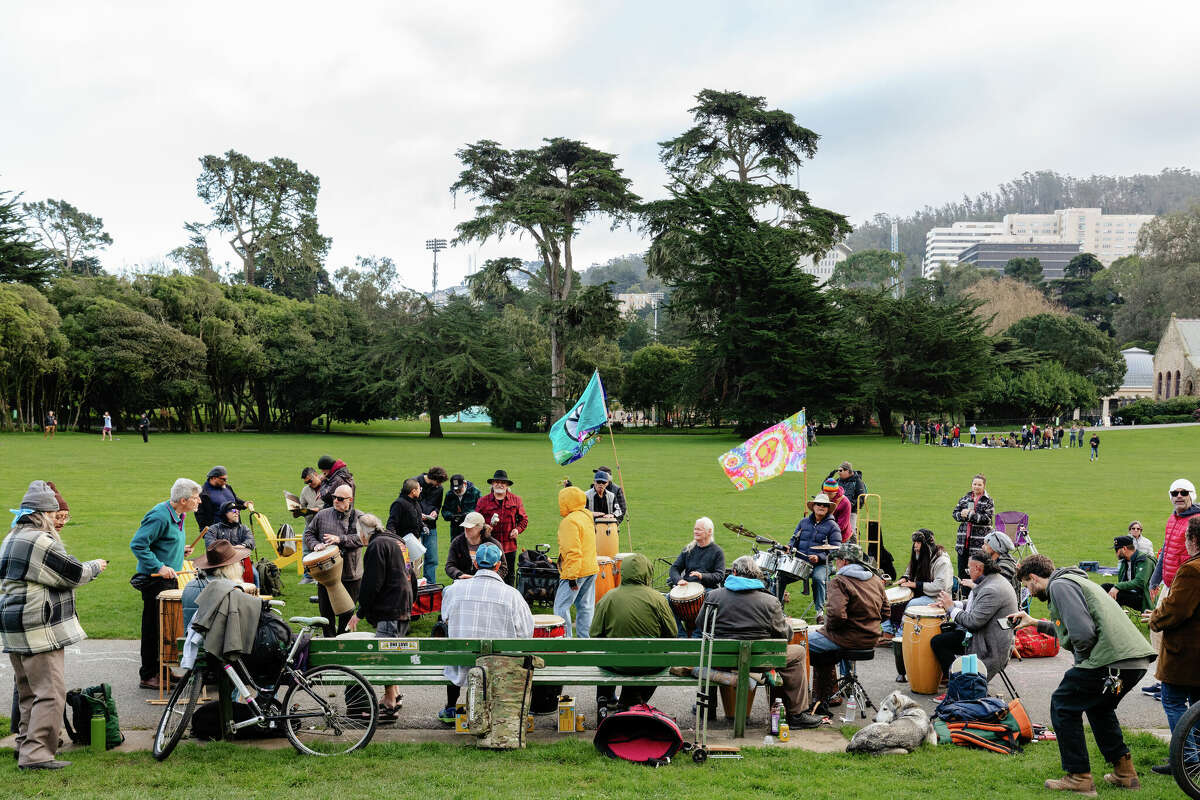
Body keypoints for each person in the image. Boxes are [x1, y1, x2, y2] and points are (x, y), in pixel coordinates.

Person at [1011, 554, 1155, 794]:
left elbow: (1083, 634)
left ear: (1033, 578)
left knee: (1063, 703)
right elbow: (1070, 625)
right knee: (1099, 707)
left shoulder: (1059, 586)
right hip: (1133, 661)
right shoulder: (1073, 581)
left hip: (1112, 659)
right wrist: (1034, 622)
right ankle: (1125, 773)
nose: (1030, 590)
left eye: (1027, 585)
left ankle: (1079, 776)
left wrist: (1080, 666)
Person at [1, 481, 107, 771]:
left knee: (28, 692)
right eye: (55, 513)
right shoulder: (39, 540)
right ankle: (37, 756)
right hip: (37, 627)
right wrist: (96, 566)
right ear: (45, 513)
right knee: (50, 692)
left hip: (15, 624)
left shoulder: (13, 535)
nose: (57, 518)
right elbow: (72, 573)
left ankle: (25, 746)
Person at [697, 556, 821, 729]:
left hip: (720, 661)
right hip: (758, 663)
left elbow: (700, 624)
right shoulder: (769, 601)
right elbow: (783, 636)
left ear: (733, 572)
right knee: (798, 653)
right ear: (756, 576)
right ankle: (797, 714)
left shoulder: (713, 596)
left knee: (709, 648)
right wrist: (787, 625)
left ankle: (708, 709)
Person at [437, 542, 533, 724]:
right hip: (499, 665)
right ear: (498, 566)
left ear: (475, 564)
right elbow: (525, 633)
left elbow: (446, 618)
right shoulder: (512, 595)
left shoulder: (453, 590)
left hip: (462, 664)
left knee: (455, 656)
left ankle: (451, 707)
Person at [130, 478, 199, 690]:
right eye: (196, 498)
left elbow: (162, 542)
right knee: (153, 628)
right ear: (184, 500)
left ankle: (163, 671)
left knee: (165, 629)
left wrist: (180, 550)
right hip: (154, 582)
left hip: (169, 580)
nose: (199, 502)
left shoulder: (179, 514)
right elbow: (138, 544)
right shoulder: (160, 516)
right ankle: (149, 675)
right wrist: (159, 566)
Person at [1145, 517, 1200, 775]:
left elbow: (1176, 608)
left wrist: (1155, 618)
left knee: (1173, 701)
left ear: (1193, 540)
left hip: (1187, 651)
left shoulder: (1192, 569)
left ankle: (1186, 757)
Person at [807, 543, 889, 711]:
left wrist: (828, 628)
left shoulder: (840, 581)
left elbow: (837, 615)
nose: (836, 563)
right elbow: (886, 612)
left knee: (802, 642)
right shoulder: (875, 580)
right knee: (829, 644)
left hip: (847, 638)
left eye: (837, 559)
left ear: (844, 561)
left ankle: (815, 694)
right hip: (871, 638)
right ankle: (838, 687)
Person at [591, 553, 676, 711]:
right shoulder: (658, 599)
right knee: (653, 658)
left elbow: (594, 634)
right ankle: (635, 699)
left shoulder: (608, 597)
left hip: (615, 663)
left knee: (606, 654)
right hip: (650, 664)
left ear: (623, 571)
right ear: (648, 572)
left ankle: (607, 698)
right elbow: (672, 633)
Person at [349, 513, 413, 720]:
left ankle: (389, 701)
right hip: (403, 604)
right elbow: (411, 573)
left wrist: (360, 612)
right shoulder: (398, 541)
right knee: (392, 651)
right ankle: (395, 693)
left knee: (385, 655)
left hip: (390, 608)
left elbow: (371, 583)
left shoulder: (376, 546)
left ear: (364, 533)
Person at [929, 549, 1017, 682]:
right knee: (944, 631)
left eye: (969, 568)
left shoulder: (991, 589)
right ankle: (953, 675)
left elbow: (973, 621)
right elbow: (975, 605)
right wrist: (951, 604)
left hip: (988, 646)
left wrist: (951, 608)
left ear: (978, 568)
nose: (968, 571)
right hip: (986, 635)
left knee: (938, 642)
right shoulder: (991, 581)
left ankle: (957, 681)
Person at [303, 485, 364, 636]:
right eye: (334, 497)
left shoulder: (359, 517)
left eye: (340, 499)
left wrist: (340, 539)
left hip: (350, 575)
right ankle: (329, 642)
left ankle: (343, 643)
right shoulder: (322, 515)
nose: (336, 501)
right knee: (326, 614)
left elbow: (364, 538)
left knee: (347, 613)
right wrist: (315, 545)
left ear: (350, 500)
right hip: (326, 575)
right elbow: (309, 533)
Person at [884, 529, 953, 635]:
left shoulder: (942, 561)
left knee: (912, 604)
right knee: (886, 599)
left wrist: (915, 584)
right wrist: (905, 578)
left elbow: (940, 586)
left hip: (936, 598)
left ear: (927, 545)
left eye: (918, 542)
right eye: (914, 542)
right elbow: (909, 570)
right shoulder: (920, 555)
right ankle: (887, 633)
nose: (915, 545)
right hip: (920, 593)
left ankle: (901, 635)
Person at [553, 484, 598, 638]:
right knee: (585, 607)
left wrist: (571, 578)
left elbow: (572, 551)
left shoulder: (569, 522)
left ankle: (565, 642)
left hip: (576, 572)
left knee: (560, 608)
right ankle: (585, 643)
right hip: (591, 569)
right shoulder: (586, 516)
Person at [784, 494, 841, 611]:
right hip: (800, 563)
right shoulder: (803, 522)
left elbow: (836, 549)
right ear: (813, 506)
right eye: (818, 504)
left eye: (825, 505)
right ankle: (777, 610)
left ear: (828, 508)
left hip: (822, 564)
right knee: (780, 577)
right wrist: (789, 547)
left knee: (818, 579)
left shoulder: (833, 526)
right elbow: (794, 539)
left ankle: (819, 612)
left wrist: (819, 557)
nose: (821, 506)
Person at [474, 469, 528, 585]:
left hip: (509, 546)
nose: (499, 484)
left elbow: (524, 519)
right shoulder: (483, 501)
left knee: (509, 574)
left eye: (503, 482)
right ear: (492, 484)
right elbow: (476, 520)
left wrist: (517, 530)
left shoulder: (516, 500)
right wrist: (485, 527)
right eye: (496, 482)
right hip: (488, 546)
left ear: (507, 485)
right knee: (487, 575)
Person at [181, 540, 250, 628]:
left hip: (189, 640)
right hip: (216, 641)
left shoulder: (189, 585)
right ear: (231, 566)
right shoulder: (231, 589)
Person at [409, 466, 448, 585]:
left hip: (431, 526)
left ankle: (430, 586)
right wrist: (417, 514)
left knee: (432, 558)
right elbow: (405, 503)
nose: (439, 485)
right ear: (432, 478)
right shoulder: (414, 483)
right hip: (414, 527)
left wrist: (435, 512)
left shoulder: (439, 488)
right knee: (413, 560)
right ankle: (412, 586)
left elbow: (437, 505)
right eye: (438, 482)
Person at [951, 473, 993, 579]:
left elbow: (987, 519)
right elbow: (954, 514)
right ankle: (963, 595)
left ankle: (976, 595)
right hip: (963, 543)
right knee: (962, 573)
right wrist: (961, 514)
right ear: (971, 485)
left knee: (977, 573)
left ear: (984, 486)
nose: (976, 487)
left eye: (979, 485)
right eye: (974, 484)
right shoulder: (965, 499)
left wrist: (970, 515)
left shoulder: (988, 501)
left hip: (979, 544)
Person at [445, 511, 506, 581]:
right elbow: (449, 566)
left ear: (480, 528)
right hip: (463, 583)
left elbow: (503, 568)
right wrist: (459, 575)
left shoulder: (494, 544)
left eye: (470, 527)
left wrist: (489, 578)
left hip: (487, 583)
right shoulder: (457, 542)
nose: (466, 529)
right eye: (465, 526)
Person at [668, 517, 726, 589]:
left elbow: (719, 575)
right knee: (667, 599)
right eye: (695, 529)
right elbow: (674, 568)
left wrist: (702, 576)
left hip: (708, 589)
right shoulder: (688, 549)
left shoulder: (717, 551)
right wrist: (679, 580)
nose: (695, 532)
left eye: (699, 529)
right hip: (687, 586)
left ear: (709, 531)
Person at [1101, 535, 1154, 612]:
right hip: (1130, 593)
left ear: (1124, 548)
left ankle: (1112, 618)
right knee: (1105, 587)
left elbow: (1140, 582)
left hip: (1144, 598)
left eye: (1117, 550)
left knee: (1118, 595)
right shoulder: (1124, 561)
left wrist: (1118, 587)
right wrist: (1117, 587)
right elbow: (1122, 582)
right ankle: (1103, 616)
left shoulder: (1144, 560)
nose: (1116, 553)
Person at [195, 466, 248, 533]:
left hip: (235, 529)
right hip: (218, 533)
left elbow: (234, 500)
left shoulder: (227, 487)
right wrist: (207, 532)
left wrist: (244, 504)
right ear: (214, 478)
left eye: (226, 479)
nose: (226, 481)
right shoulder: (203, 493)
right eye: (223, 479)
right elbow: (200, 515)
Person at [296, 467, 324, 584]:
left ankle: (322, 577)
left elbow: (333, 505)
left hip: (325, 525)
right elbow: (302, 506)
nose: (309, 484)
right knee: (307, 552)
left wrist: (318, 510)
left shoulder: (327, 487)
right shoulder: (305, 490)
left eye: (310, 481)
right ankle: (308, 577)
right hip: (310, 525)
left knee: (323, 551)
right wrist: (297, 511)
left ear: (316, 475)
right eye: (306, 482)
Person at [440, 473, 480, 542]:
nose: (457, 491)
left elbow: (480, 509)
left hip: (472, 530)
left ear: (464, 483)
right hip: (455, 531)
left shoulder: (475, 492)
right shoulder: (450, 494)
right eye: (455, 489)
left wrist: (468, 515)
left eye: (459, 488)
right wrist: (452, 516)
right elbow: (445, 510)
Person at [982, 530, 1020, 596]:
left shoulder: (1004, 566)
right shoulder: (996, 562)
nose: (982, 547)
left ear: (995, 547)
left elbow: (997, 591)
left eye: (986, 544)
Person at [834, 461, 867, 531]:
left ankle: (854, 540)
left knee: (851, 531)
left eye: (841, 470)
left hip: (851, 510)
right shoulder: (838, 481)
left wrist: (850, 504)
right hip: (837, 509)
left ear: (848, 471)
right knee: (835, 529)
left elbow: (861, 498)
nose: (838, 472)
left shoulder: (857, 482)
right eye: (838, 471)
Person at [822, 476, 853, 543]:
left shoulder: (845, 502)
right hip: (824, 534)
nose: (827, 496)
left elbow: (842, 525)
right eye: (825, 493)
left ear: (836, 492)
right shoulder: (821, 497)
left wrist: (826, 532)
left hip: (841, 536)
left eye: (830, 494)